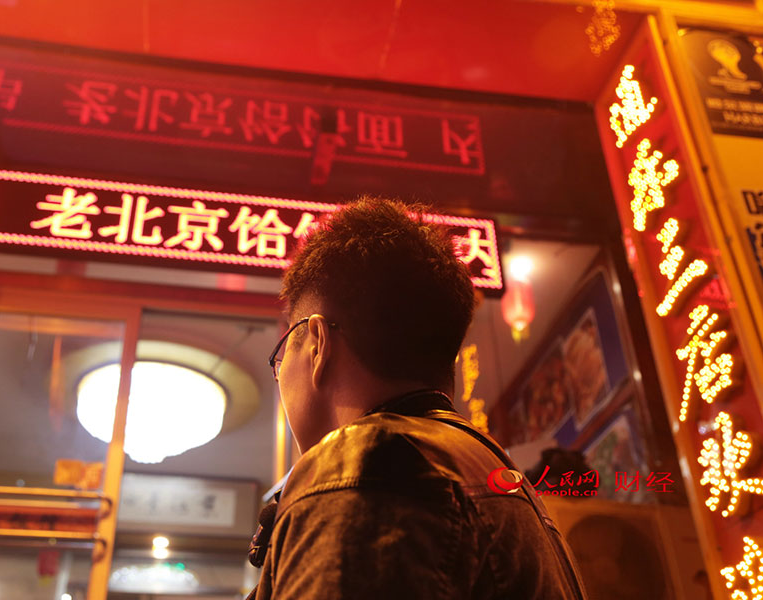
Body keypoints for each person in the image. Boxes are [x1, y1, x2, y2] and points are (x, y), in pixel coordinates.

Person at [247, 198, 587, 599]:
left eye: (282, 354)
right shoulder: (508, 481)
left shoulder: (365, 461)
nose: (281, 373)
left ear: (318, 344)